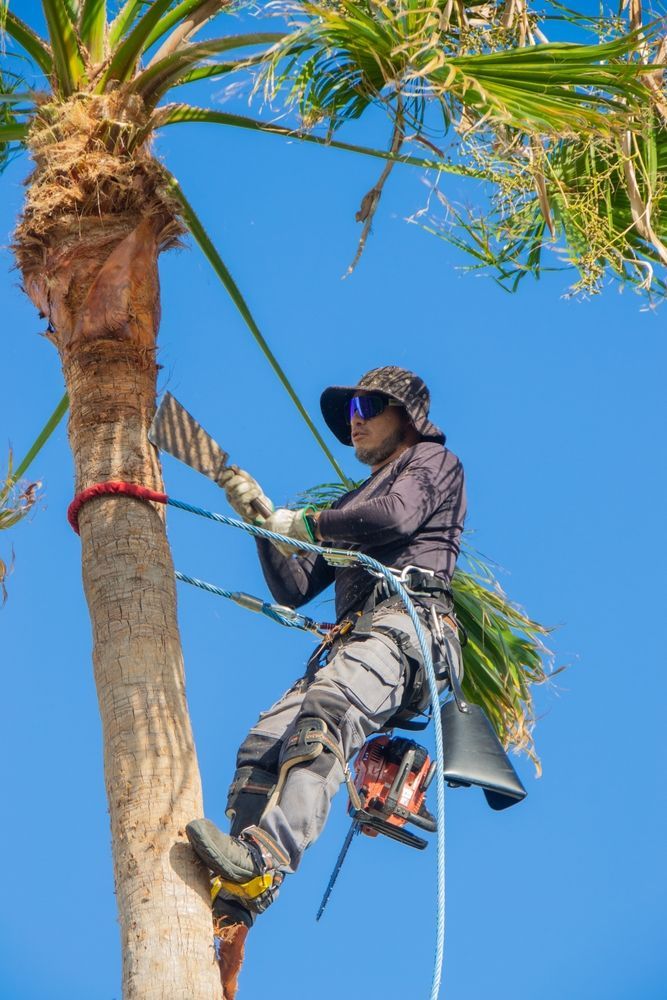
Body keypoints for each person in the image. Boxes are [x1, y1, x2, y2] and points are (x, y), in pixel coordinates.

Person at [186, 366, 466, 986]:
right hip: (351, 640)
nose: (355, 418)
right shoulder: (348, 503)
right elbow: (293, 587)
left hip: (405, 629)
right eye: (350, 410)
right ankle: (234, 899)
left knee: (328, 715)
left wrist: (301, 524)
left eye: (369, 405)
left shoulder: (432, 465)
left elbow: (395, 519)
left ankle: (267, 856)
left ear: (409, 416)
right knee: (262, 745)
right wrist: (263, 523)